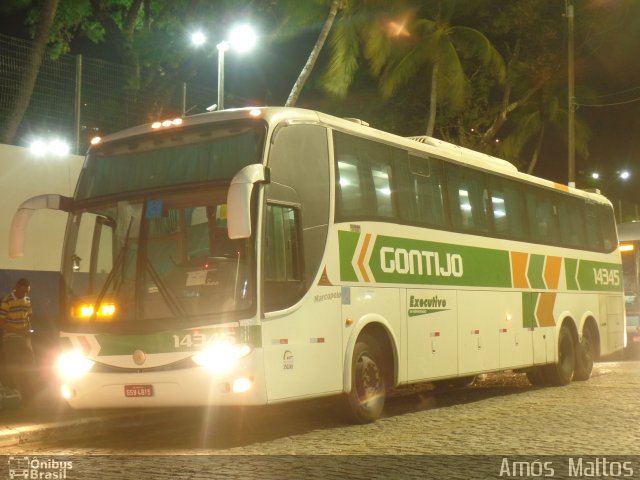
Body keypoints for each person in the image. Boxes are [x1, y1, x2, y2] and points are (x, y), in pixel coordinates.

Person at [0, 278, 36, 399]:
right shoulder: (7, 301)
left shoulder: (27, 300)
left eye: (26, 292)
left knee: (29, 365)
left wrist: (29, 332)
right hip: (11, 338)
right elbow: (1, 322)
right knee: (14, 367)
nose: (24, 294)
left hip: (25, 339)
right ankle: (17, 393)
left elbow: (28, 318)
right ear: (16, 287)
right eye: (22, 291)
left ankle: (27, 393)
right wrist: (18, 331)